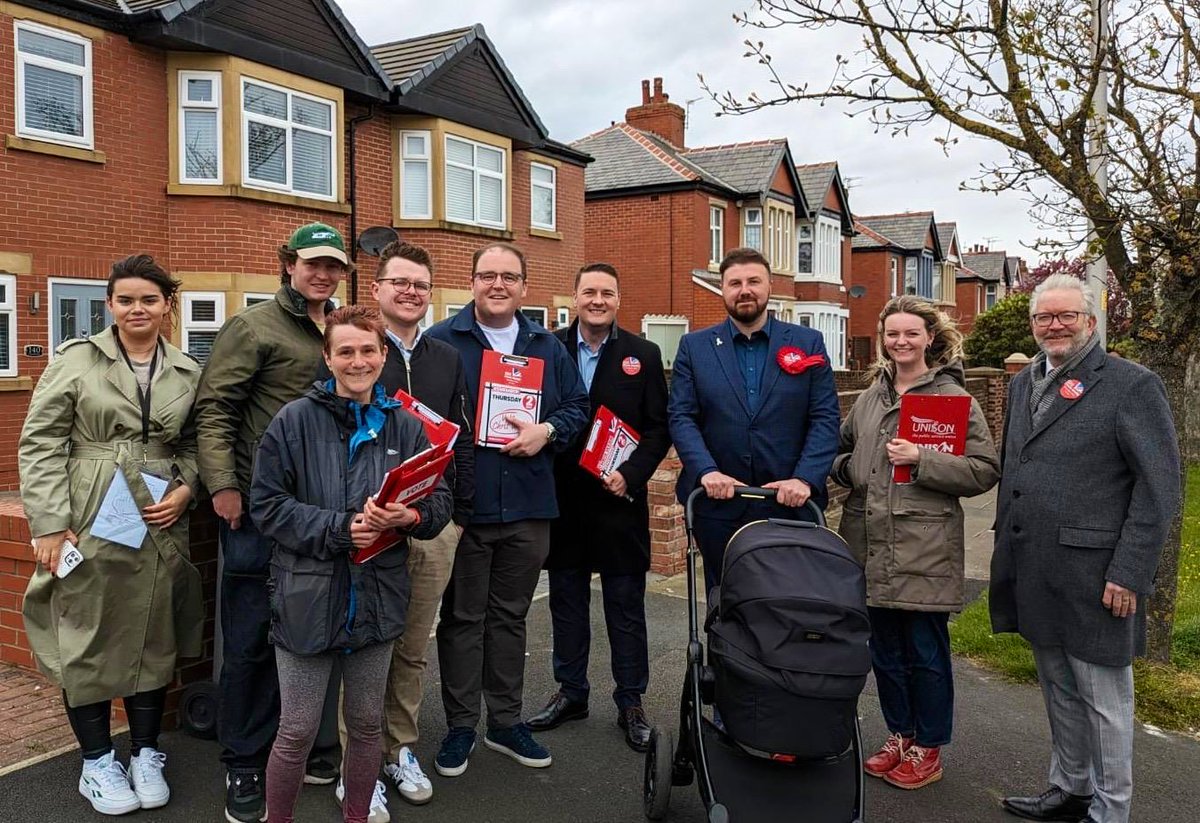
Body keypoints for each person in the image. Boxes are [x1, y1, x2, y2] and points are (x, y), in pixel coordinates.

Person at [250, 305, 452, 823]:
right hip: (306, 596)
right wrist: (340, 529)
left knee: (366, 727)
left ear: (384, 356)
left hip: (379, 596)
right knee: (295, 731)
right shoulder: (292, 421)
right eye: (346, 351)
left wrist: (409, 514)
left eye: (368, 350)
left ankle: (357, 816)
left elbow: (439, 502)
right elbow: (267, 506)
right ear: (328, 357)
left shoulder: (405, 425)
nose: (358, 361)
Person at [991, 274, 1181, 823]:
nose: (1054, 325)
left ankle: (1111, 810)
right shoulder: (1026, 381)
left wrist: (1130, 573)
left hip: (1100, 577)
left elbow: (1159, 488)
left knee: (1106, 702)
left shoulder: (1131, 384)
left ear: (1090, 322)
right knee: (1057, 687)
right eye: (1044, 317)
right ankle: (1069, 789)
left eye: (1066, 316)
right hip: (1036, 566)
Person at [19, 255, 203, 815]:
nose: (137, 309)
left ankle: (146, 752)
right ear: (110, 305)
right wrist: (49, 523)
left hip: (156, 513)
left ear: (167, 305)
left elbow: (196, 446)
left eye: (149, 299)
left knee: (153, 631)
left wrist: (187, 488)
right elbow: (40, 441)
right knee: (87, 633)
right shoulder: (77, 361)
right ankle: (97, 761)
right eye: (125, 299)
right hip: (90, 507)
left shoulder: (189, 371)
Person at [194, 222, 351, 823]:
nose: (322, 274)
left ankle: (307, 744)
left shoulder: (339, 329)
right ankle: (243, 761)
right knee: (253, 640)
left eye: (333, 266)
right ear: (287, 264)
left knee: (310, 634)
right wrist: (225, 488)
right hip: (260, 513)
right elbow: (215, 411)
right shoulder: (253, 327)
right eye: (312, 263)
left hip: (323, 515)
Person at [425, 241, 589, 776]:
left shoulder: (547, 345)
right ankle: (459, 726)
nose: (498, 284)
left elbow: (578, 409)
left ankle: (505, 722)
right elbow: (422, 418)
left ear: (524, 286)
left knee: (510, 618)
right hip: (465, 507)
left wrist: (547, 430)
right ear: (472, 282)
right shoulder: (441, 341)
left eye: (509, 277)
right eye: (487, 275)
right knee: (463, 619)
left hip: (528, 503)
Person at [831, 295, 999, 790]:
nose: (900, 342)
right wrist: (851, 469)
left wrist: (923, 458)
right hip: (869, 541)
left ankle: (929, 744)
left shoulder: (952, 399)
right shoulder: (870, 398)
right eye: (892, 334)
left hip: (924, 545)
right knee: (883, 650)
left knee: (925, 651)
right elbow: (840, 451)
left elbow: (985, 470)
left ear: (930, 337)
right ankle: (900, 733)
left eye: (910, 333)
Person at [330, 241, 474, 819]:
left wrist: (454, 516)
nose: (410, 292)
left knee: (413, 648)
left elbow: (459, 438)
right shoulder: (362, 352)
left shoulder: (446, 357)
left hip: (431, 525)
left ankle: (399, 749)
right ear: (379, 289)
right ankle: (355, 767)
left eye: (420, 283)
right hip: (369, 528)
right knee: (365, 646)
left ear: (430, 291)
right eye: (399, 282)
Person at [526, 263, 671, 752]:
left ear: (618, 299)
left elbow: (657, 429)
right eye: (589, 291)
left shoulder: (643, 354)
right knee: (566, 604)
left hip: (618, 501)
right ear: (574, 296)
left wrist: (631, 474)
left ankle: (631, 700)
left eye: (607, 292)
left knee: (625, 607)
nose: (598, 300)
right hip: (562, 500)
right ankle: (572, 692)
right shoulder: (547, 349)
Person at [669, 247, 841, 592]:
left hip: (788, 503)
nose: (744, 290)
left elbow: (824, 417)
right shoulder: (694, 346)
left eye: (753, 281)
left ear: (769, 285)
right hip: (719, 504)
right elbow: (682, 416)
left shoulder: (808, 342)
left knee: (789, 603)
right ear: (723, 289)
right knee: (725, 602)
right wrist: (706, 471)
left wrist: (805, 479)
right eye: (734, 283)